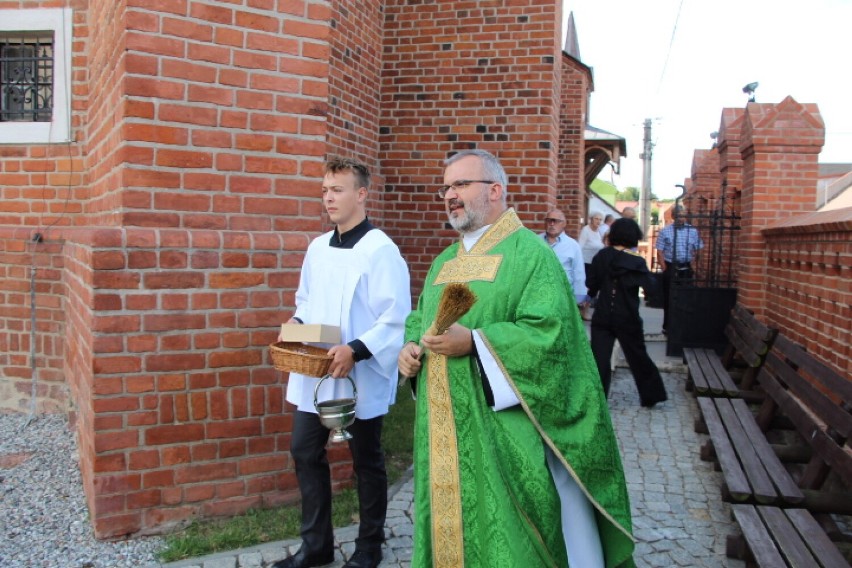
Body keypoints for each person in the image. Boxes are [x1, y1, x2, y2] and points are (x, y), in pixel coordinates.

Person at [397, 150, 634, 568]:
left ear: (495, 190)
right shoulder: (443, 262)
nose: (450, 195)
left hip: (504, 433)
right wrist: (411, 349)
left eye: (460, 185)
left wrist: (475, 343)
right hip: (445, 427)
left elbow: (552, 335)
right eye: (446, 187)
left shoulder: (531, 256)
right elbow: (421, 318)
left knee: (508, 535)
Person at [274, 157, 411, 568]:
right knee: (303, 450)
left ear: (362, 194)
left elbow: (396, 316)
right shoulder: (317, 248)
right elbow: (306, 300)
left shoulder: (380, 250)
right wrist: (296, 325)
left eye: (337, 190)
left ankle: (369, 547)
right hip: (316, 371)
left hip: (359, 373)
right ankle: (315, 546)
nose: (328, 198)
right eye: (325, 191)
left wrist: (356, 349)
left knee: (366, 459)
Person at [587, 218, 668, 407]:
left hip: (604, 314)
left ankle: (596, 400)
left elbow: (592, 284)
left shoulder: (602, 256)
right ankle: (651, 395)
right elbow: (651, 288)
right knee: (638, 356)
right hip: (627, 316)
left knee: (599, 360)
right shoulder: (636, 262)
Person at [655, 205, 703, 335]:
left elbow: (699, 248)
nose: (681, 218)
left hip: (686, 266)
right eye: (679, 215)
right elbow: (659, 251)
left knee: (686, 297)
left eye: (683, 215)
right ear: (673, 216)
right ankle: (668, 326)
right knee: (669, 297)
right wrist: (665, 268)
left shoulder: (692, 231)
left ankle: (684, 326)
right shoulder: (666, 231)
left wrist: (694, 264)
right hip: (671, 266)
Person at [540, 208, 588, 311]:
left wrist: (578, 300)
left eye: (556, 221)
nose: (552, 224)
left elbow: (578, 273)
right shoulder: (535, 241)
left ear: (564, 224)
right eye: (549, 220)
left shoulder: (573, 246)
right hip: (538, 295)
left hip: (563, 297)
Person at [579, 211, 606, 275]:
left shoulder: (599, 231)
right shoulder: (586, 230)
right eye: (596, 219)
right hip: (586, 264)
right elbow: (579, 247)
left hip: (596, 263)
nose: (598, 221)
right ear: (591, 219)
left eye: (600, 219)